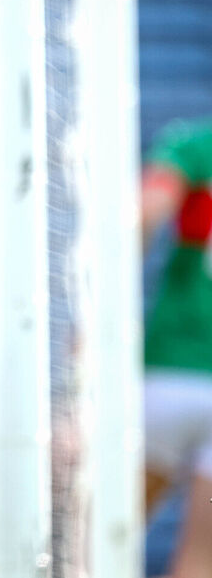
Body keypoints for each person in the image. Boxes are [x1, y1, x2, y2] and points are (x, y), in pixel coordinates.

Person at [139, 116, 212, 578]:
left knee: (93, 541)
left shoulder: (195, 143)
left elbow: (144, 213)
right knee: (201, 563)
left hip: (169, 372)